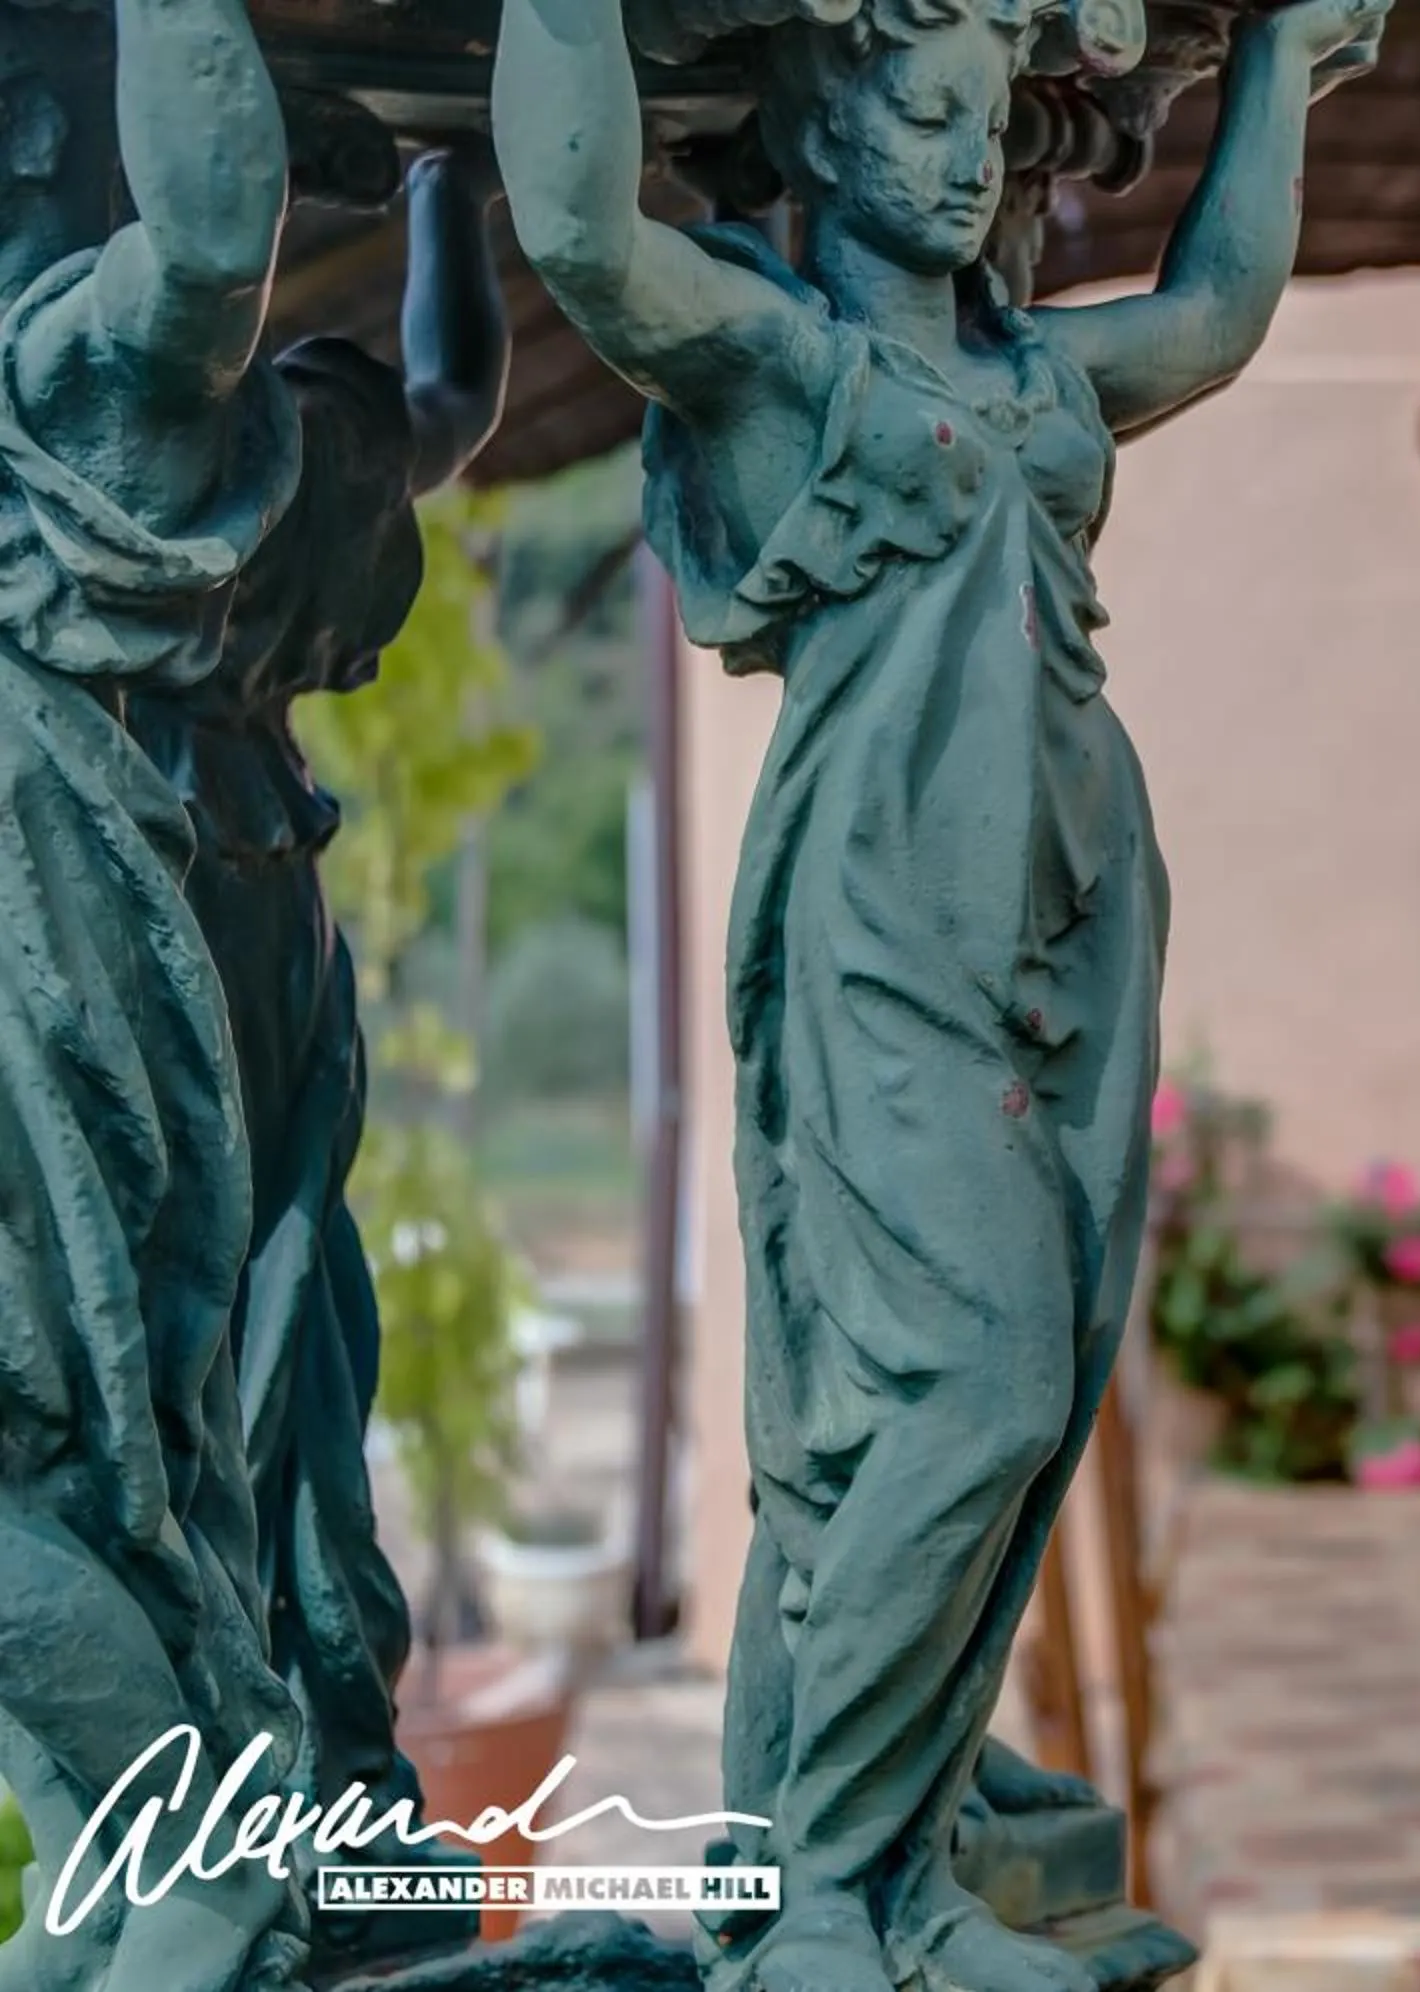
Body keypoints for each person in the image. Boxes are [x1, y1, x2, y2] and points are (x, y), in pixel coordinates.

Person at [493, 0, 1382, 1984]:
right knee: (966, 1392)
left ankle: (895, 1851)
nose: (974, 159)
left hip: (1069, 935)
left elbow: (1218, 312)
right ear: (828, 127)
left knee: (990, 1401)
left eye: (991, 124)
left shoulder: (1038, 378)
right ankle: (826, 1884)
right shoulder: (784, 365)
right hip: (886, 937)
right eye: (927, 112)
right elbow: (583, 236)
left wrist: (1280, 63)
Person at [120, 135, 511, 1978]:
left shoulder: (135, 491)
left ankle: (280, 1804)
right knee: (280, 1372)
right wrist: (445, 194)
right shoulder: (295, 464)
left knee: (243, 1377)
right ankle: (317, 1792)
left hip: (203, 953)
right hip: (259, 953)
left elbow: (436, 410)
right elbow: (452, 399)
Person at [0, 2, 312, 1986]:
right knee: (82, 1455)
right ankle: (133, 1858)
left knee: (62, 1437)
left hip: (33, 931)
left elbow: (208, 238)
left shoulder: (48, 358)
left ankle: (202, 1856)